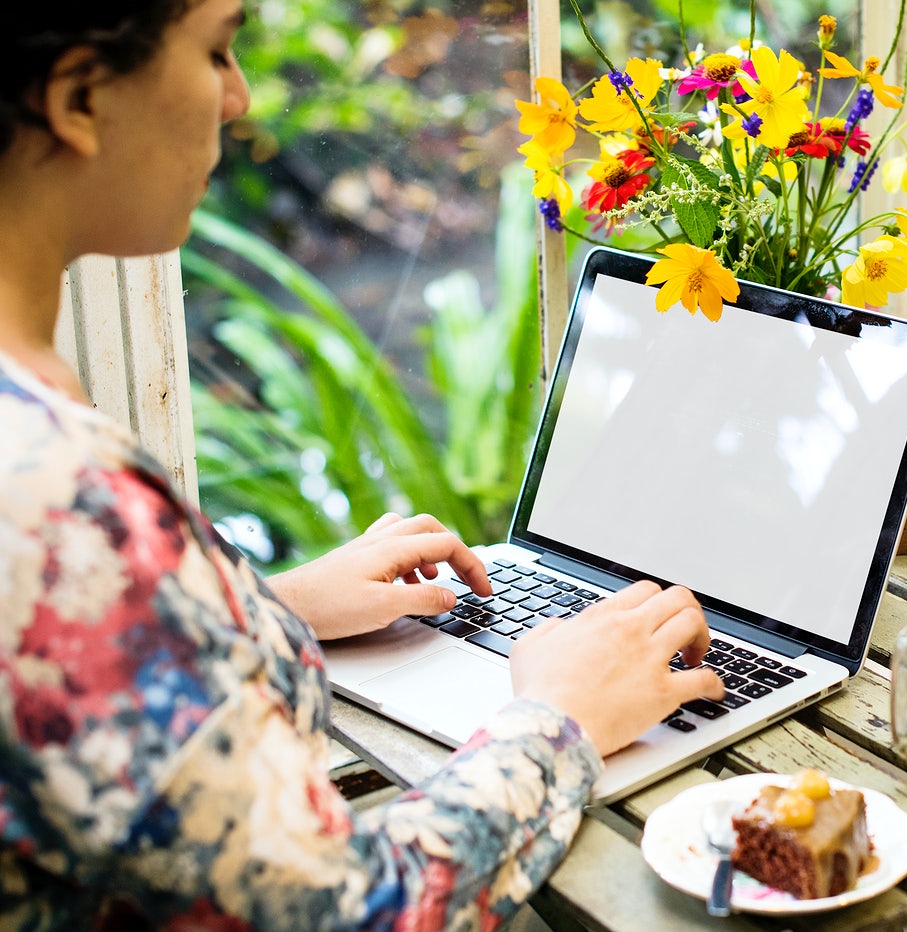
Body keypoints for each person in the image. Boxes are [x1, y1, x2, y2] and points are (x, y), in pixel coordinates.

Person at [0, 2, 725, 928]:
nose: (237, 96)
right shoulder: (59, 504)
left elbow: (67, 681)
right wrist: (563, 719)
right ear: (79, 98)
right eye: (217, 50)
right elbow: (351, 912)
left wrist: (267, 607)